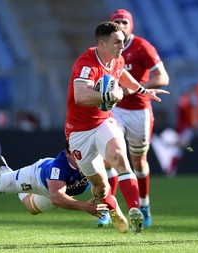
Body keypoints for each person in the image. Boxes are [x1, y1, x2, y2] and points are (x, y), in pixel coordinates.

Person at [64, 21, 169, 234]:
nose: (123, 46)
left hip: (104, 121)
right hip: (79, 131)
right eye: (117, 42)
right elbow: (81, 96)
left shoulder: (117, 58)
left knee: (121, 158)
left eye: (123, 41)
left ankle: (134, 210)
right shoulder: (87, 63)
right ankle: (112, 209)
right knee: (99, 187)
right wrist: (108, 95)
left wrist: (141, 90)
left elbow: (121, 74)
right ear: (102, 44)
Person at [96, 9, 170, 228]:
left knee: (138, 161)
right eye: (117, 22)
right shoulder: (105, 49)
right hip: (114, 109)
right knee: (110, 158)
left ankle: (145, 206)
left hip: (139, 110)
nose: (121, 25)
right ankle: (110, 209)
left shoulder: (142, 47)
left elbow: (162, 77)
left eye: (125, 22)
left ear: (131, 25)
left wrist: (135, 89)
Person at [167, 85, 198, 177]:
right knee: (184, 147)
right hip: (185, 128)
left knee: (182, 147)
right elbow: (184, 113)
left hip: (190, 127)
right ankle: (171, 168)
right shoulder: (184, 100)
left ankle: (172, 168)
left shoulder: (191, 101)